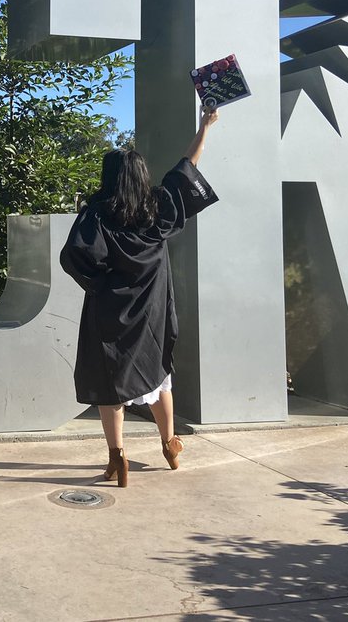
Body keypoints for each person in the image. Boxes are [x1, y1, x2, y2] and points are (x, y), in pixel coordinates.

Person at [59, 107, 220, 486]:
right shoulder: (157, 209)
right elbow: (186, 169)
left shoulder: (97, 215)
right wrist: (205, 127)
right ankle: (169, 445)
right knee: (159, 374)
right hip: (151, 311)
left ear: (109, 177)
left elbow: (73, 257)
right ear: (141, 177)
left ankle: (117, 459)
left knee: (110, 380)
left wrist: (101, 283)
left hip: (109, 311)